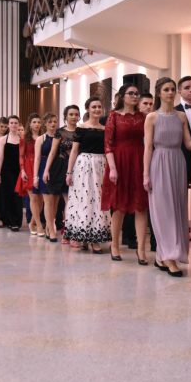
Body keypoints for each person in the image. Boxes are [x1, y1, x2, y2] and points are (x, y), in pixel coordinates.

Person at [144, 77, 191, 276]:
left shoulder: (181, 116)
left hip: (178, 163)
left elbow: (188, 143)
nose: (171, 92)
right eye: (166, 89)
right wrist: (145, 174)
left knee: (177, 210)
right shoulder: (152, 117)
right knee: (163, 211)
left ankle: (162, 256)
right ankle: (169, 257)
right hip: (158, 163)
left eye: (173, 89)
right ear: (159, 93)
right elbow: (148, 147)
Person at [102, 84, 149, 263]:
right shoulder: (114, 116)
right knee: (119, 206)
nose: (135, 96)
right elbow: (108, 145)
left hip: (139, 160)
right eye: (131, 93)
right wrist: (113, 168)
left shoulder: (143, 116)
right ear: (122, 96)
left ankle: (141, 249)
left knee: (141, 206)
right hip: (119, 161)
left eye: (137, 93)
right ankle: (114, 245)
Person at [65, 97, 111, 251]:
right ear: (88, 109)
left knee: (98, 199)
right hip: (83, 165)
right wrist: (69, 172)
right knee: (84, 199)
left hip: (101, 165)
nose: (97, 109)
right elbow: (74, 151)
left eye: (99, 106)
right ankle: (84, 236)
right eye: (94, 107)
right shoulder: (81, 128)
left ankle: (94, 238)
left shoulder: (105, 129)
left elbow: (108, 150)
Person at [44, 105, 80, 242]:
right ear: (66, 116)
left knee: (70, 201)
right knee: (53, 200)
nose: (74, 117)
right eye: (71, 114)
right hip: (58, 167)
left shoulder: (81, 131)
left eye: (76, 114)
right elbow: (52, 152)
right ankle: (50, 228)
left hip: (75, 168)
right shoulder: (60, 132)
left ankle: (68, 231)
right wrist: (46, 170)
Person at [17, 113, 44, 236]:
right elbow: (21, 156)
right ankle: (39, 225)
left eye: (38, 122)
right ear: (30, 124)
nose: (37, 124)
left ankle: (32, 222)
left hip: (41, 166)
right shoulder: (24, 138)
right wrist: (22, 170)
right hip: (28, 167)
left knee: (41, 199)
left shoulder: (43, 137)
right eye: (34, 122)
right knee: (33, 198)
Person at [34, 113, 59, 241]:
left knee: (55, 202)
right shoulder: (41, 139)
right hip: (44, 168)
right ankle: (50, 229)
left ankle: (50, 226)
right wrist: (35, 176)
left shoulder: (60, 136)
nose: (53, 124)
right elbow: (37, 158)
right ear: (45, 124)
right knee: (48, 201)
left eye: (54, 121)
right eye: (50, 122)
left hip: (57, 169)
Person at [0, 116, 23, 231]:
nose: (13, 125)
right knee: (8, 196)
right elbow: (0, 157)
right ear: (8, 125)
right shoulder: (3, 139)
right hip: (6, 171)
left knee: (18, 196)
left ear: (18, 124)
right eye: (11, 123)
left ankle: (17, 221)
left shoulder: (22, 139)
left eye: (16, 123)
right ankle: (10, 221)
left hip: (18, 171)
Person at [138, 92, 157, 253]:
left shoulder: (156, 119)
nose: (148, 106)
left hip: (155, 162)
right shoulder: (136, 122)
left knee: (154, 203)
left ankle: (154, 242)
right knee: (139, 203)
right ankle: (133, 239)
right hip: (137, 163)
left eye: (151, 104)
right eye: (145, 103)